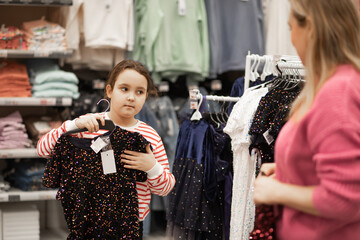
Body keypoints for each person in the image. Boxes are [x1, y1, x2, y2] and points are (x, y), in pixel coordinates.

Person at [253, 0, 360, 239]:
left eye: (291, 27)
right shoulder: (336, 84)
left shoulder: (338, 93)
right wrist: (289, 169)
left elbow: (346, 197)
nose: (291, 38)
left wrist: (277, 191)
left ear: (310, 27)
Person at [37, 59, 176, 238]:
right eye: (124, 89)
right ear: (110, 90)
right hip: (88, 222)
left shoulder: (149, 136)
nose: (131, 97)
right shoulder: (89, 124)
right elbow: (43, 149)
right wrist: (71, 125)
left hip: (130, 226)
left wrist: (152, 166)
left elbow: (165, 188)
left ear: (146, 96)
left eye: (139, 92)